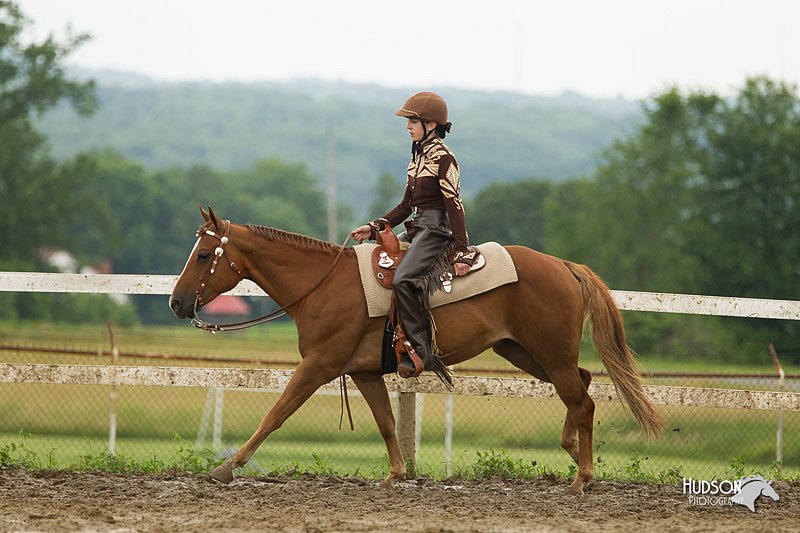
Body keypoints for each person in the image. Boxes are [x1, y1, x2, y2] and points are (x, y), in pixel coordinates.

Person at [351, 91, 476, 381]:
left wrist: (461, 249)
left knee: (404, 278)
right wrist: (375, 227)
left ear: (430, 125)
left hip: (436, 230)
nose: (407, 126)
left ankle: (422, 351)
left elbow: (454, 205)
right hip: (418, 227)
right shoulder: (417, 157)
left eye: (412, 121)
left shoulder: (444, 158)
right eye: (407, 121)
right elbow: (406, 206)